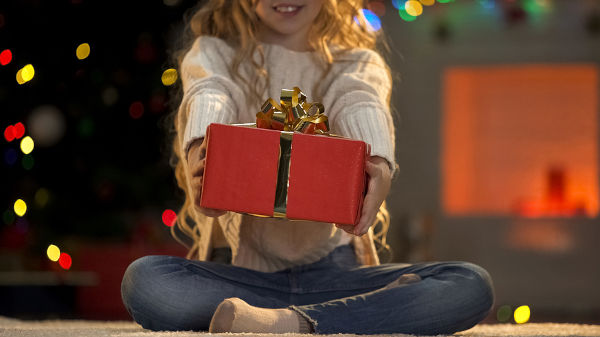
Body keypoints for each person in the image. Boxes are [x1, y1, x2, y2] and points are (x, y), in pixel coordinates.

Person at [121, 0, 494, 334]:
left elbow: (358, 100)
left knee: (468, 283)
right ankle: (359, 316)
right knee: (148, 282)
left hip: (336, 275)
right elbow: (212, 91)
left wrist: (378, 160)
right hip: (243, 277)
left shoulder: (356, 59)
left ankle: (287, 322)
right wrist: (201, 149)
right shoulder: (213, 52)